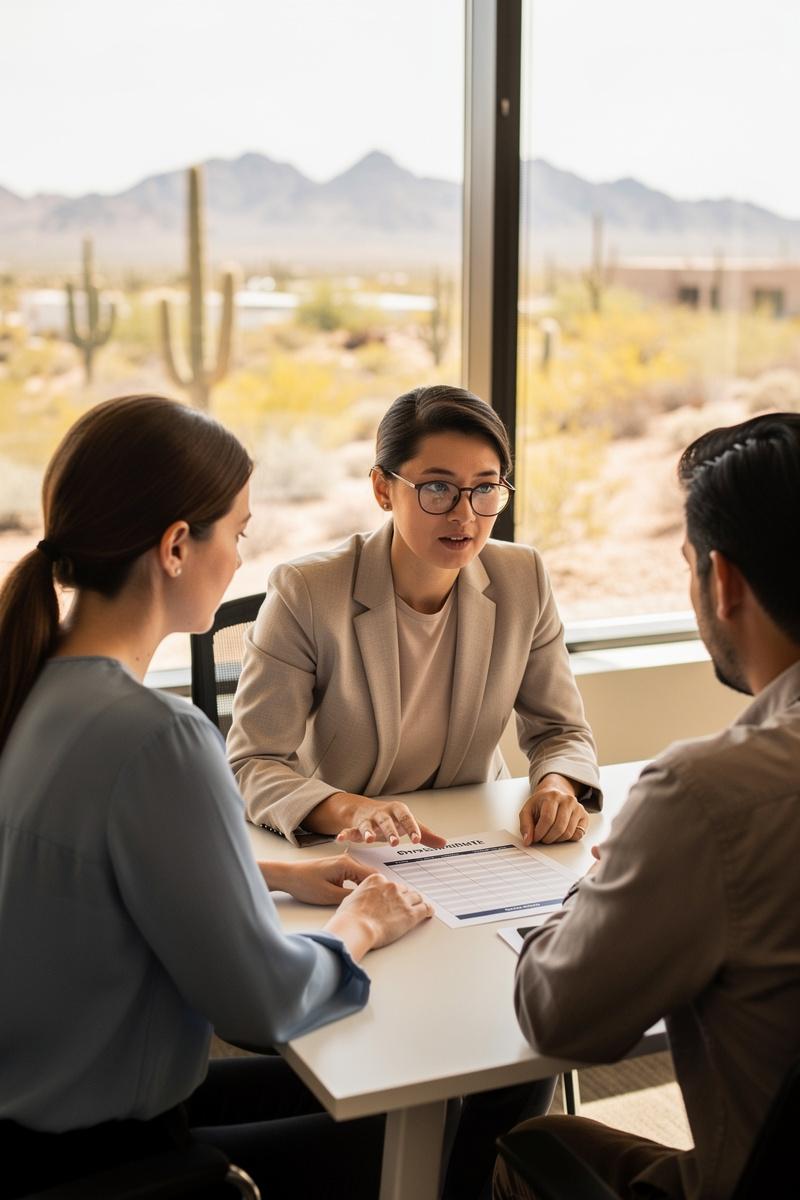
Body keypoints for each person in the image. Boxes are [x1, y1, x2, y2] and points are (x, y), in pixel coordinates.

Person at [0, 393, 434, 1200]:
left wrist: (274, 876)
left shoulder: (31, 691)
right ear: (175, 546)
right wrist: (360, 924)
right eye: (237, 533)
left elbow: (83, 869)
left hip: (27, 1131)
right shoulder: (157, 735)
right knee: (456, 1110)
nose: (240, 559)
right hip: (116, 1162)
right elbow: (260, 1008)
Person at [228, 383, 602, 1199]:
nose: (463, 513)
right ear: (382, 487)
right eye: (436, 486)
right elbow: (254, 761)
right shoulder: (310, 590)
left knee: (527, 1018)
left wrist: (559, 784)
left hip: (481, 866)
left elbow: (562, 732)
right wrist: (347, 807)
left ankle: (476, 1173)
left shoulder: (523, 577)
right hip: (352, 876)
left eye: (485, 487)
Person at [495, 412, 800, 1200]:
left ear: (722, 580)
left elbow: (559, 1017)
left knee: (533, 1146)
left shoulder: (711, 797)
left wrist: (596, 886)